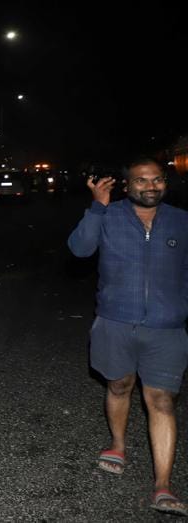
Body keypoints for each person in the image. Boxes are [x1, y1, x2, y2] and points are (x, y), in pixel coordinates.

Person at [67, 155, 188, 516]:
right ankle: (117, 445)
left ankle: (163, 486)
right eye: (141, 181)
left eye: (157, 180)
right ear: (127, 185)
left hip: (166, 329)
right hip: (115, 322)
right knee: (119, 386)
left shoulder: (182, 221)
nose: (151, 186)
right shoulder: (109, 216)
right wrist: (97, 208)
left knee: (162, 401)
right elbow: (80, 249)